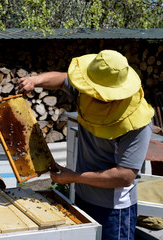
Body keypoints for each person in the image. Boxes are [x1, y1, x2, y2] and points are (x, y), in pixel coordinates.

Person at [17, 50, 154, 240]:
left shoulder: (139, 123)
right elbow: (63, 79)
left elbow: (125, 176)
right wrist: (35, 80)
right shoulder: (87, 90)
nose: (92, 95)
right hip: (82, 198)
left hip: (114, 210)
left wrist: (75, 177)